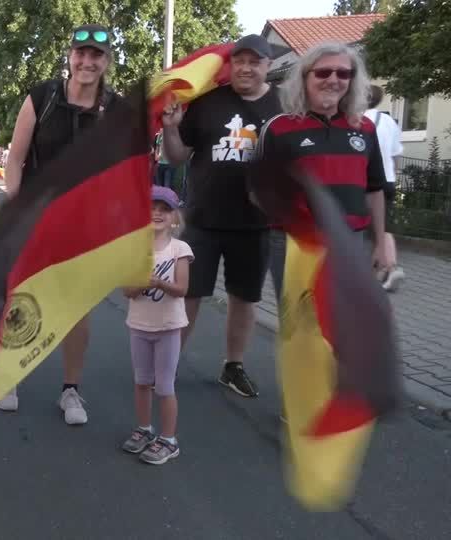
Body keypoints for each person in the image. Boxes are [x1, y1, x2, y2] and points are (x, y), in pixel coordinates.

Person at [0, 24, 120, 425]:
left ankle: (70, 390)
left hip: (85, 226)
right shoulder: (43, 97)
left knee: (75, 307)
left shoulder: (115, 110)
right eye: (81, 53)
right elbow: (15, 159)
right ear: (70, 56)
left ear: (106, 61)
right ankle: (9, 377)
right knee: (23, 299)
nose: (87, 61)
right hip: (35, 218)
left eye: (96, 55)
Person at [160, 34, 282, 399]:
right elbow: (177, 157)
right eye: (239, 61)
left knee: (244, 297)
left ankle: (233, 366)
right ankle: (168, 364)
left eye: (254, 62)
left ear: (268, 65)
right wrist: (170, 127)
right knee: (188, 294)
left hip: (256, 222)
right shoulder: (209, 101)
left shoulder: (284, 105)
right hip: (203, 219)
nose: (245, 68)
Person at [258, 42, 391, 299]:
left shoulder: (364, 128)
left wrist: (381, 243)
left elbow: (375, 190)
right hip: (294, 243)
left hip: (351, 242)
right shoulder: (277, 128)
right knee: (299, 320)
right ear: (304, 77)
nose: (333, 80)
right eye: (323, 72)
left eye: (343, 73)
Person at [121, 186, 192, 465]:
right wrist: (140, 283)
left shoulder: (179, 249)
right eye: (151, 208)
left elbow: (182, 289)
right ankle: (144, 428)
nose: (157, 214)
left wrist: (159, 282)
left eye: (164, 209)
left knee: (164, 385)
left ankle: (169, 439)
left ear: (174, 217)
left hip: (168, 328)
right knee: (141, 381)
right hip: (139, 326)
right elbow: (127, 290)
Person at [364, 85, 405, 292]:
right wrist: (394, 175)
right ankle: (380, 273)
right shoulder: (388, 121)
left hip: (367, 181)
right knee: (382, 227)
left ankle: (390, 266)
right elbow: (397, 154)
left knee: (368, 229)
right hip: (388, 179)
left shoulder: (357, 119)